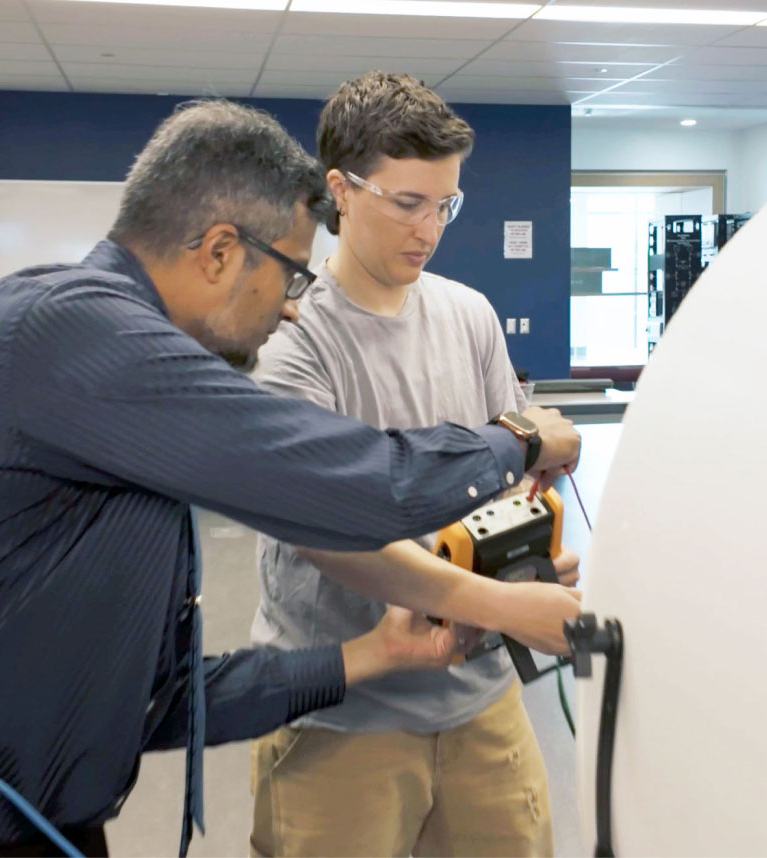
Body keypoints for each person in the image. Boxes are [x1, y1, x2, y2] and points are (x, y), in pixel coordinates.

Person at [0, 99, 581, 857]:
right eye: (291, 275)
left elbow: (158, 700)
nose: (292, 310)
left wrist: (373, 655)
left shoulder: (108, 384)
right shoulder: (68, 329)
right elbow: (351, 487)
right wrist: (518, 440)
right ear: (222, 252)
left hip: (35, 823)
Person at [250, 72, 579, 857]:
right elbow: (329, 532)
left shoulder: (470, 315)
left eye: (445, 206)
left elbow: (511, 478)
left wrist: (529, 565)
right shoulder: (290, 337)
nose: (428, 229)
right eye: (407, 203)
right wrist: (503, 606)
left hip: (481, 700)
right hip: (345, 715)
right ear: (341, 190)